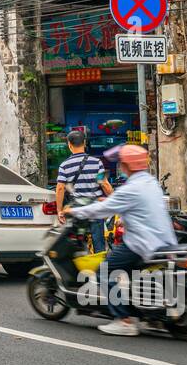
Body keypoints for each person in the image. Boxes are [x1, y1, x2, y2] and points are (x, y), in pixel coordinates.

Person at [67, 143, 177, 336]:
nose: (120, 167)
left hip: (141, 243)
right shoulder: (151, 182)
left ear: (128, 166)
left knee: (104, 271)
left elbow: (100, 210)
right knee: (135, 275)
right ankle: (152, 316)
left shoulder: (131, 189)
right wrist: (109, 200)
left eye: (122, 163)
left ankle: (124, 320)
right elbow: (127, 201)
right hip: (164, 240)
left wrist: (72, 211)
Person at [56, 130, 114, 252]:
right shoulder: (96, 162)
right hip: (95, 208)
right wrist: (115, 200)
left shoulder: (64, 165)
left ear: (69, 144)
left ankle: (79, 269)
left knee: (76, 246)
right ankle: (102, 270)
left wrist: (59, 210)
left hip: (77, 210)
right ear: (84, 143)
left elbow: (60, 188)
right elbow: (104, 184)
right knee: (99, 245)